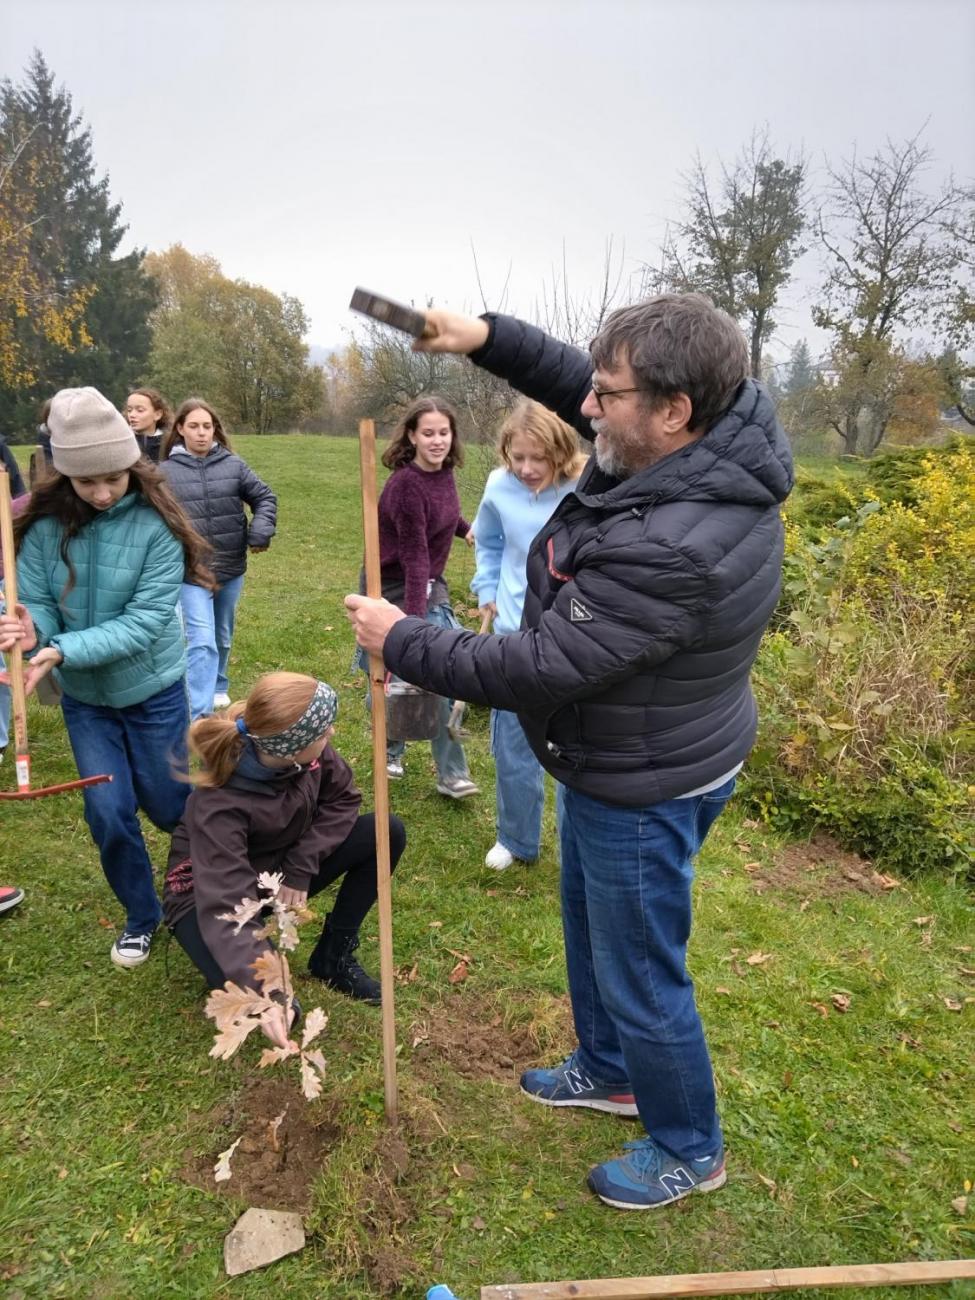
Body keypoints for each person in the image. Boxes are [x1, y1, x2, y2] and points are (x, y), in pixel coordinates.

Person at [346, 294, 794, 1211]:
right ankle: (609, 1069)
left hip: (646, 779)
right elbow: (578, 382)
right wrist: (482, 339)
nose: (585, 407)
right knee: (593, 927)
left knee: (639, 970)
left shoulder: (674, 548)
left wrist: (402, 638)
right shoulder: (714, 430)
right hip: (629, 747)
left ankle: (688, 1145)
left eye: (606, 395)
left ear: (672, 410)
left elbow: (538, 665)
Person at [0, 386, 214, 969]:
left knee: (170, 806)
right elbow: (39, 604)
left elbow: (144, 623)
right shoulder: (44, 528)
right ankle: (143, 916)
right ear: (65, 475)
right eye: (86, 481)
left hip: (152, 691)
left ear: (132, 466)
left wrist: (60, 649)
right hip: (87, 702)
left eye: (113, 479)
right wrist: (32, 629)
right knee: (109, 813)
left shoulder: (157, 526)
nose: (100, 493)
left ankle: (207, 885)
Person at [163, 672, 406, 1035]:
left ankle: (333, 958)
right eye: (323, 732)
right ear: (291, 748)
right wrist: (271, 992)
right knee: (270, 1003)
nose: (331, 733)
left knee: (385, 831)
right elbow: (227, 902)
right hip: (205, 899)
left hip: (274, 869)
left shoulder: (306, 752)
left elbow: (343, 800)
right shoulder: (218, 806)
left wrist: (300, 866)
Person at [471, 400, 585, 870]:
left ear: (562, 451)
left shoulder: (587, 485)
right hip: (512, 632)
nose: (527, 468)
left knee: (576, 747)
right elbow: (489, 541)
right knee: (513, 742)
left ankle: (578, 845)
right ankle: (516, 839)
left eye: (539, 458)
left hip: (574, 633)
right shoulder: (498, 485)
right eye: (517, 457)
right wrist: (486, 587)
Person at [372, 395, 477, 798]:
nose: (437, 441)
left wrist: (465, 529)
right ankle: (435, 767)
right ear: (412, 436)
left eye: (444, 432)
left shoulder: (443, 472)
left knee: (426, 671)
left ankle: (416, 759)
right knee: (419, 667)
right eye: (428, 433)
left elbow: (444, 515)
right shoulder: (406, 486)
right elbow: (414, 557)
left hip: (429, 580)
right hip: (396, 584)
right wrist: (412, 626)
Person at [160, 398, 276, 719]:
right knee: (201, 640)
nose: (201, 433)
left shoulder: (233, 465)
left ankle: (218, 683)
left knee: (221, 635)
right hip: (190, 571)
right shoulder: (164, 473)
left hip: (230, 566)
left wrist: (260, 531)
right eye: (194, 426)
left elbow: (264, 497)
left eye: (207, 426)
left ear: (215, 430)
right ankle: (199, 716)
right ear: (180, 429)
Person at [125, 387, 171, 464]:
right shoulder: (122, 441)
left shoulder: (170, 444)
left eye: (140, 410)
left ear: (158, 414)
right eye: (129, 410)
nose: (132, 415)